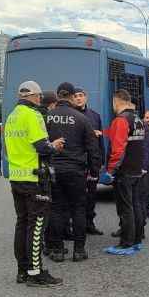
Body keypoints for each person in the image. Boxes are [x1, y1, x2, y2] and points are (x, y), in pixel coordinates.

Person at [4, 80, 65, 287]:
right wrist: (54, 145)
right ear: (32, 96)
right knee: (37, 226)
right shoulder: (34, 115)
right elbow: (42, 147)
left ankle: (22, 270)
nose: (40, 100)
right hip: (35, 178)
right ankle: (36, 272)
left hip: (16, 177)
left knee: (22, 224)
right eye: (39, 96)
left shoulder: (12, 116)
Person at [45, 82, 100, 262]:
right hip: (76, 170)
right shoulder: (82, 118)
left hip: (54, 169)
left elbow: (39, 144)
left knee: (57, 209)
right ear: (71, 96)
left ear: (58, 95)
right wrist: (94, 170)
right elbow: (93, 148)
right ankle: (78, 250)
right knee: (78, 209)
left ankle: (58, 250)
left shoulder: (48, 117)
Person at [103, 89, 146, 254]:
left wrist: (111, 170)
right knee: (135, 205)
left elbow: (118, 149)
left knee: (125, 208)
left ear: (117, 101)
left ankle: (126, 243)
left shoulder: (121, 120)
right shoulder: (138, 119)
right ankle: (137, 239)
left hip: (124, 172)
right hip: (136, 170)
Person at [73, 87, 105, 235]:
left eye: (81, 96)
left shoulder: (95, 116)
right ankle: (75, 226)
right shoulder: (71, 116)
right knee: (76, 196)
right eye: (75, 96)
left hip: (92, 162)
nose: (78, 98)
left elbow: (100, 141)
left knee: (91, 195)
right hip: (76, 162)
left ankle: (89, 223)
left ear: (86, 98)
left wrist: (101, 160)